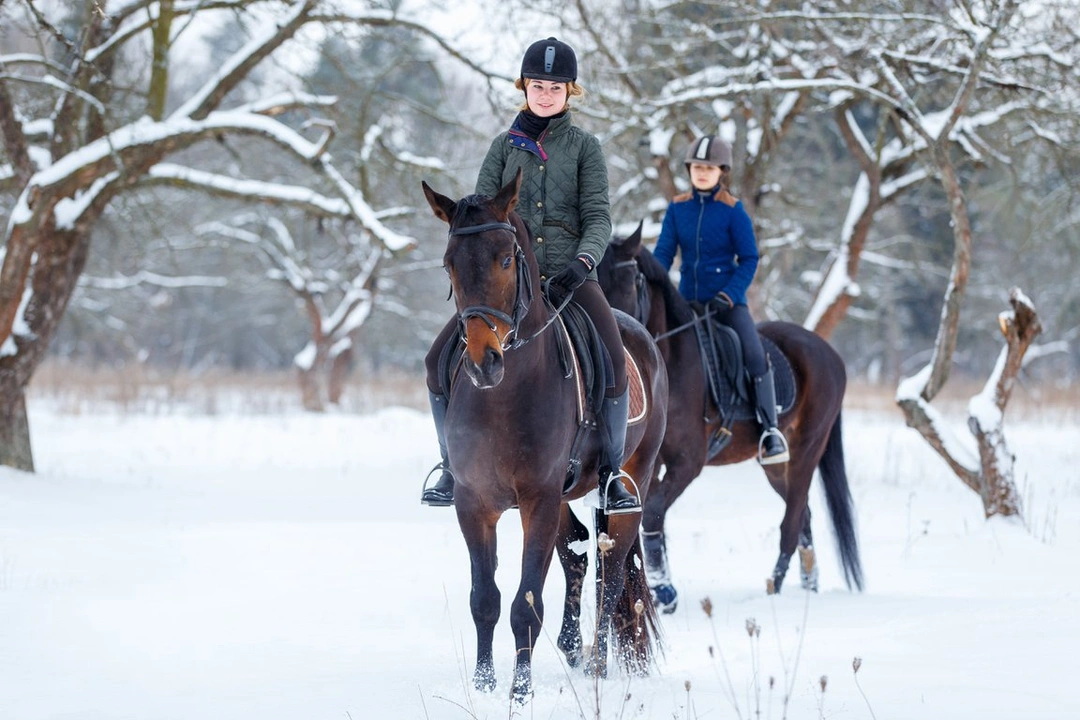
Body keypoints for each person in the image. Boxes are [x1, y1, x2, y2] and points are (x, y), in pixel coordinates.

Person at [420, 37, 642, 514]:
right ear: (525, 88)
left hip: (572, 276)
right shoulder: (503, 147)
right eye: (537, 86)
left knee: (611, 356)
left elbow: (598, 216)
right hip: (505, 282)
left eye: (555, 87)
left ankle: (611, 473)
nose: (545, 94)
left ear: (570, 92)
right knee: (438, 359)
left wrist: (582, 263)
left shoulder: (585, 148)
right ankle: (448, 465)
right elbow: (480, 212)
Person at [653, 135, 789, 465]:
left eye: (709, 168)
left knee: (754, 354)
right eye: (697, 167)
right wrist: (653, 285)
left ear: (721, 172)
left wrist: (728, 295)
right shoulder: (677, 208)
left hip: (726, 304)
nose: (702, 173)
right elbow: (663, 255)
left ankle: (770, 429)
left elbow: (750, 259)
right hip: (685, 303)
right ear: (690, 170)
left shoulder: (733, 211)